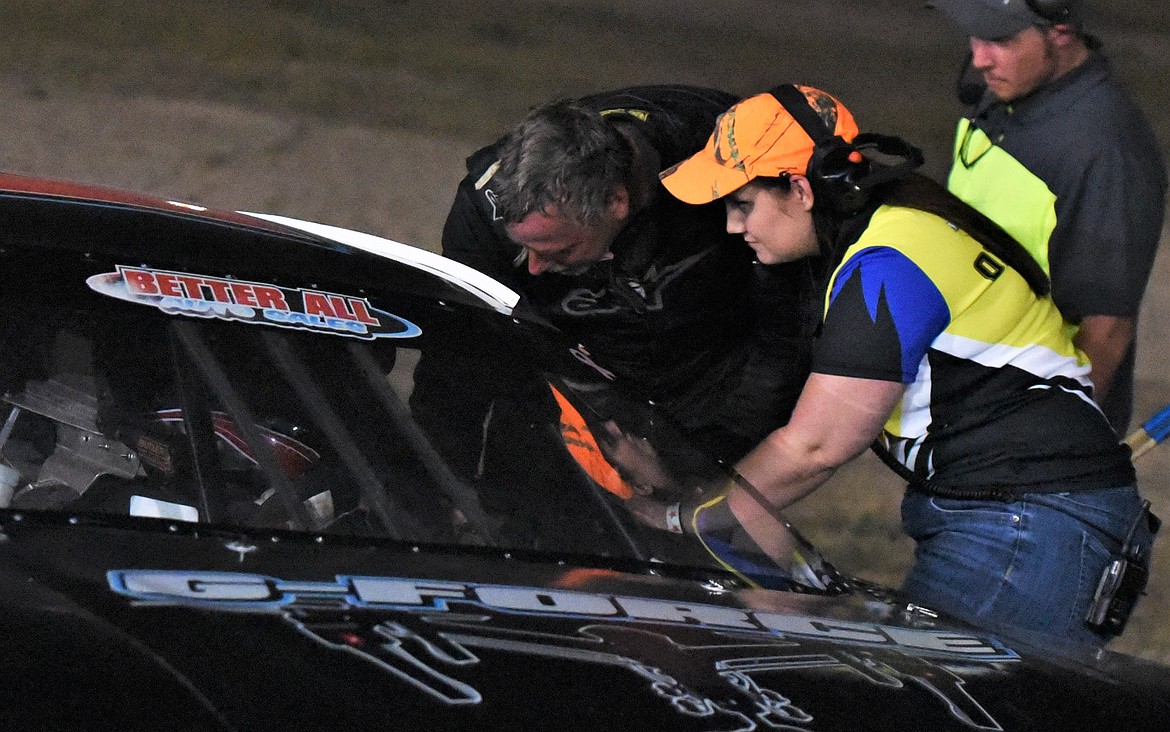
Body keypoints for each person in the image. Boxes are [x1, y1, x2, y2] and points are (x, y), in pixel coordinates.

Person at [622, 84, 1155, 649]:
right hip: (1029, 520)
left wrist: (684, 515)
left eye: (742, 203)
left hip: (1028, 526)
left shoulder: (888, 264)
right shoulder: (896, 224)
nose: (733, 226)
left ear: (800, 189)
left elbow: (814, 447)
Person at [422, 85, 817, 480]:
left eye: (561, 250)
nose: (536, 268)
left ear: (616, 201)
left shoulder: (727, 167)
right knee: (517, 501)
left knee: (674, 526)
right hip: (567, 370)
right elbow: (458, 353)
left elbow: (784, 339)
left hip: (708, 375)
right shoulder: (484, 207)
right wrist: (440, 484)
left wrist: (702, 466)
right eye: (525, 250)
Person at [932, 0, 1167, 432]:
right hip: (962, 390)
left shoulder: (1105, 148)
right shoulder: (1012, 91)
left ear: (1060, 32)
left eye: (1000, 40)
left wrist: (1051, 442)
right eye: (976, 36)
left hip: (1023, 432)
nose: (980, 59)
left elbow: (1107, 328)